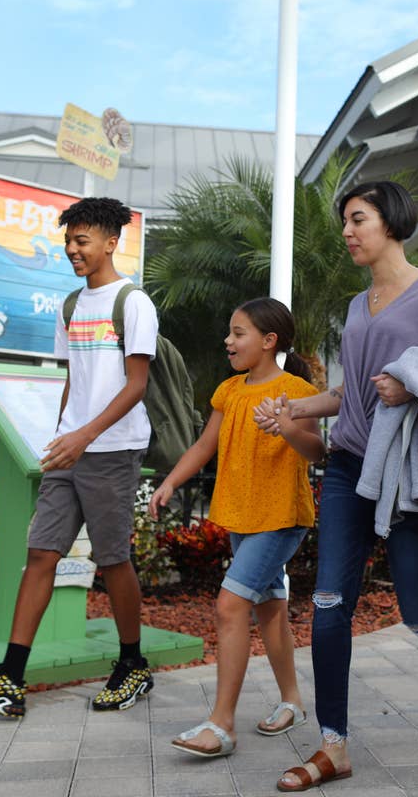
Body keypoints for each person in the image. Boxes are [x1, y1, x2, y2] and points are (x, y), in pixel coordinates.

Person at [257, 181, 418, 793]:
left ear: (391, 221)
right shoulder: (356, 305)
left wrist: (412, 383)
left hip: (408, 471)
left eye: (357, 219)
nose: (347, 232)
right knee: (328, 604)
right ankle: (333, 747)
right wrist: (294, 409)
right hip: (350, 465)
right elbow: (354, 391)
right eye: (345, 222)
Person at [0, 197, 157, 718]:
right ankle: (10, 678)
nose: (72, 250)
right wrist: (63, 436)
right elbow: (73, 380)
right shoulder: (70, 305)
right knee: (41, 553)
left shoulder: (132, 302)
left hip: (113, 449)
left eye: (82, 240)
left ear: (111, 242)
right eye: (68, 241)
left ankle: (132, 664)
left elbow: (136, 385)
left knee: (112, 559)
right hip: (70, 450)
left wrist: (85, 435)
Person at [149, 297, 325, 757]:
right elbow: (203, 446)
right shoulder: (229, 390)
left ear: (269, 341)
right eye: (230, 332)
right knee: (270, 610)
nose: (228, 340)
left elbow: (316, 451)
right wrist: (170, 482)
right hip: (241, 514)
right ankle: (293, 703)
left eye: (238, 332)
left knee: (230, 606)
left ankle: (221, 725)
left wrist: (286, 427)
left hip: (280, 517)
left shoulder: (297, 391)